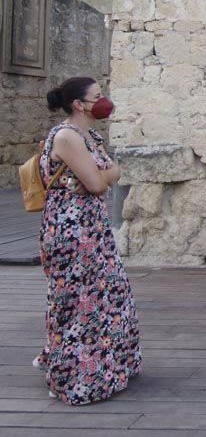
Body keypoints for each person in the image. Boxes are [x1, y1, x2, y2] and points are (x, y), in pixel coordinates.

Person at [36, 77, 141, 405]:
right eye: (98, 96)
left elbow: (114, 172)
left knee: (111, 297)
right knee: (81, 303)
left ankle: (110, 367)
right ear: (79, 104)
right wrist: (101, 178)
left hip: (92, 230)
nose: (104, 100)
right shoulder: (67, 136)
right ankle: (75, 377)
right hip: (71, 233)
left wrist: (102, 178)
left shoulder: (89, 135)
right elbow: (97, 183)